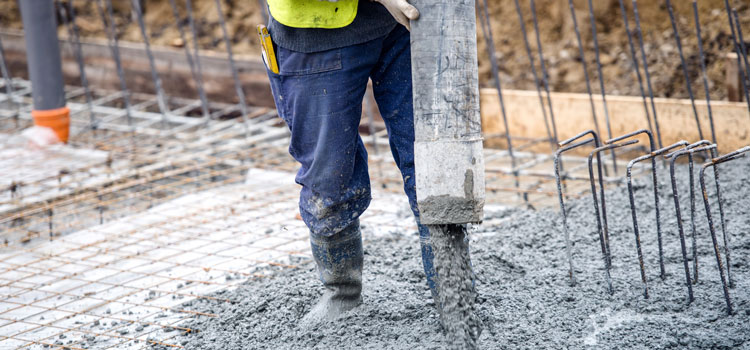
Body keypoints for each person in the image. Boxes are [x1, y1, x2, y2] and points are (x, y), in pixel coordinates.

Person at [263, 0, 436, 324]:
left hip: (404, 22)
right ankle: (342, 291)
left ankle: (452, 290)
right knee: (329, 173)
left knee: (433, 161)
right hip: (316, 32)